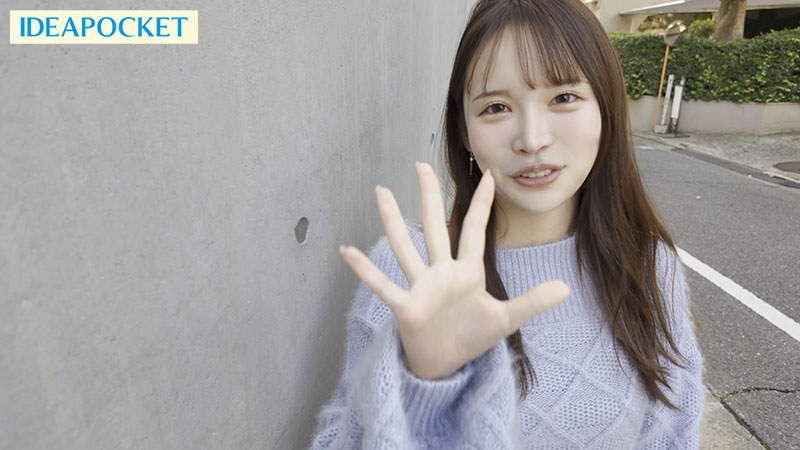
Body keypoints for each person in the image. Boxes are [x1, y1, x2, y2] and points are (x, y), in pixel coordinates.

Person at [311, 0, 704, 447]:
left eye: (563, 98)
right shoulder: (411, 271)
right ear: (464, 131)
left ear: (606, 106)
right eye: (496, 107)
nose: (532, 140)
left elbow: (674, 434)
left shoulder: (648, 265)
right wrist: (421, 381)